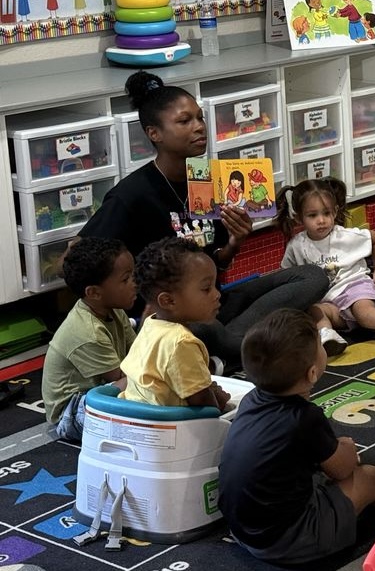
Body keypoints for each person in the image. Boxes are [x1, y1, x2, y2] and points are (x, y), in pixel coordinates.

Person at [75, 70, 328, 369]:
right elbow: (79, 254)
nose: (199, 128)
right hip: (167, 316)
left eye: (200, 118)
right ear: (154, 133)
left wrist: (235, 242)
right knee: (200, 328)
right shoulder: (132, 194)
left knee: (313, 276)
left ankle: (224, 347)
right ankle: (230, 345)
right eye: (184, 121)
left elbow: (215, 260)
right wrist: (128, 306)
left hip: (212, 302)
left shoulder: (208, 180)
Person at [218, 308, 375, 565]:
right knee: (366, 478)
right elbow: (344, 468)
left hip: (243, 532)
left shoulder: (251, 400)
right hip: (291, 541)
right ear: (312, 374)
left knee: (323, 474)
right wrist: (346, 447)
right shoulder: (304, 417)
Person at [275, 177, 375, 357]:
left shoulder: (345, 235)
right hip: (329, 302)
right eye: (312, 215)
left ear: (335, 212)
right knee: (313, 310)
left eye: (326, 213)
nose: (321, 220)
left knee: (364, 313)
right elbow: (285, 275)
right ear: (298, 217)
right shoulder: (296, 246)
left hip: (356, 288)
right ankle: (327, 335)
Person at [42, 237, 137, 441]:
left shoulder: (114, 310)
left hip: (102, 389)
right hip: (72, 412)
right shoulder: (88, 331)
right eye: (125, 279)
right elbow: (123, 377)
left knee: (150, 379)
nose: (135, 284)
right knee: (143, 385)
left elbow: (137, 352)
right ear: (94, 292)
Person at [120, 237, 231, 411]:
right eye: (206, 288)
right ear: (168, 300)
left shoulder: (151, 324)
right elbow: (206, 407)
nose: (217, 294)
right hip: (172, 430)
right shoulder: (182, 342)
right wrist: (220, 400)